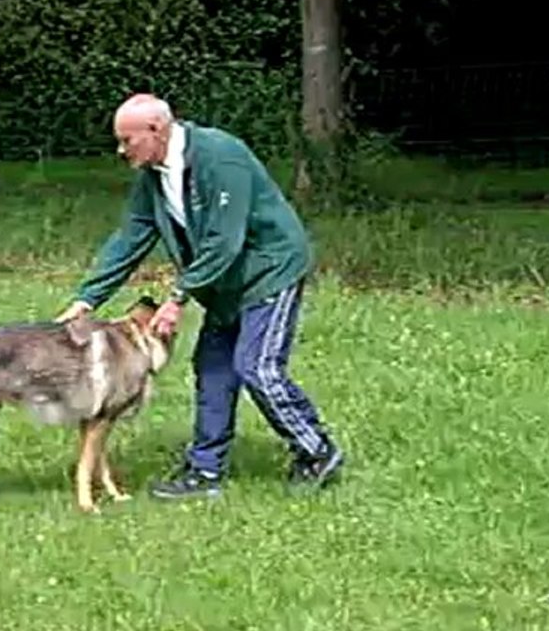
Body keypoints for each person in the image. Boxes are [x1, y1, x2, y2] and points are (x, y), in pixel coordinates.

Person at [55, 93, 343, 499]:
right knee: (212, 368)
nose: (121, 150)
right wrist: (87, 299)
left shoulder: (220, 157)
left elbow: (225, 240)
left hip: (268, 270)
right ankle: (205, 473)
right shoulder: (152, 176)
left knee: (256, 367)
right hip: (222, 282)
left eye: (127, 140)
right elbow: (131, 238)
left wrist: (178, 297)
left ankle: (317, 451)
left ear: (156, 130)